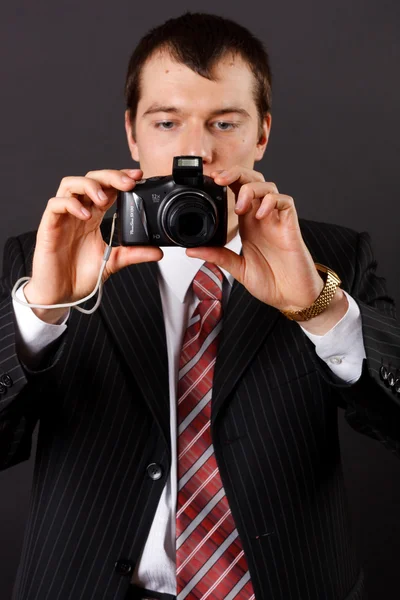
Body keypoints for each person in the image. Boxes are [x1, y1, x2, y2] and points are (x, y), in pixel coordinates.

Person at [1, 11, 399, 600]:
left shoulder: (332, 256)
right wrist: (42, 315)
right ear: (133, 134)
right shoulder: (49, 256)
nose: (196, 151)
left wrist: (319, 308)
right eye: (167, 122)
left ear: (262, 134)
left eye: (224, 123)